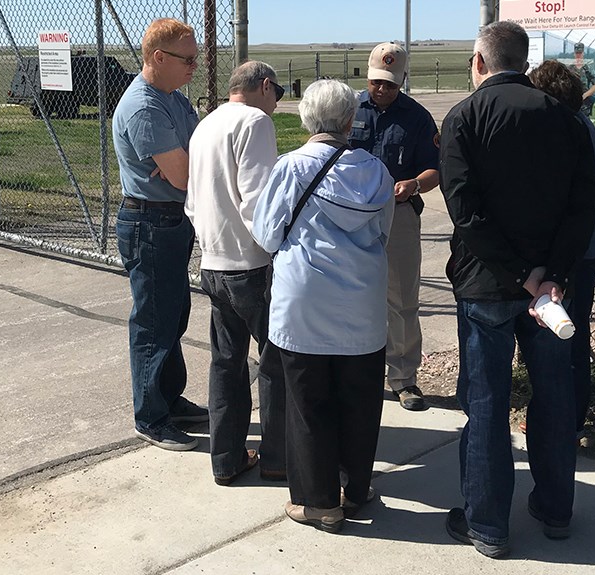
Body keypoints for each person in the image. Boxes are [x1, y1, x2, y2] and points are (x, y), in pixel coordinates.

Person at [439, 21, 595, 558]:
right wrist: (549, 274)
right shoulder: (567, 119)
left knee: (486, 403)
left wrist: (517, 274)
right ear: (524, 62)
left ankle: (486, 522)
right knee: (554, 397)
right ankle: (556, 508)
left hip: (487, 284)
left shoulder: (464, 117)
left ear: (479, 62)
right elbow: (583, 207)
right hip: (551, 292)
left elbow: (466, 211)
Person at [252, 79, 394, 534]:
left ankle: (318, 502)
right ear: (351, 120)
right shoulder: (376, 172)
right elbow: (383, 233)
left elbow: (267, 234)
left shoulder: (290, 168)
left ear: (306, 118)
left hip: (305, 306)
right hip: (364, 306)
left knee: (308, 404)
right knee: (360, 399)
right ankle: (355, 489)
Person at [185, 61, 287, 485]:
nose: (275, 104)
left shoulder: (205, 125)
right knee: (276, 359)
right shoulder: (254, 123)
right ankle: (278, 457)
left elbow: (192, 201)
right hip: (250, 263)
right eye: (276, 94)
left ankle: (225, 458)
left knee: (226, 363)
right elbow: (257, 199)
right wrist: (277, 246)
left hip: (213, 261)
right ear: (264, 87)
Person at [112, 18, 208, 451]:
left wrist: (185, 162)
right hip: (150, 223)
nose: (194, 66)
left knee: (173, 315)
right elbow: (186, 174)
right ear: (158, 58)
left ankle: (169, 398)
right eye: (187, 59)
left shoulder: (174, 99)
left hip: (170, 220)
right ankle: (150, 416)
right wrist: (184, 163)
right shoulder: (145, 107)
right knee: (153, 322)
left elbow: (196, 156)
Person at [348, 42, 440, 412]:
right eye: (376, 83)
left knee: (402, 299)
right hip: (351, 213)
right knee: (352, 295)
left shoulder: (417, 118)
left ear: (401, 80)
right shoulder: (350, 108)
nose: (382, 90)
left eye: (390, 84)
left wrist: (414, 184)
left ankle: (403, 378)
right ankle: (358, 373)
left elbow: (435, 169)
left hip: (399, 213)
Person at [528, 59, 595, 449]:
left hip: (576, 253)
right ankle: (567, 416)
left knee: (567, 338)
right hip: (587, 247)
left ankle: (568, 420)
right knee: (572, 335)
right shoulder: (583, 127)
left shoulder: (570, 131)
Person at [569, 42, 595, 117]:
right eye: (577, 53)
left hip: (584, 101)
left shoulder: (587, 68)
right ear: (574, 54)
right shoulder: (570, 68)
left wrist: (585, 95)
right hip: (572, 99)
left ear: (583, 53)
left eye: (580, 53)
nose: (578, 55)